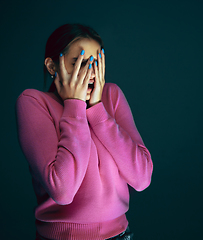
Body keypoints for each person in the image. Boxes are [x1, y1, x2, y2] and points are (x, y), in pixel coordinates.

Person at [16, 23, 153, 240]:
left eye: (95, 63)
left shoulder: (112, 96)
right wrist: (75, 105)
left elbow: (142, 178)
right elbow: (63, 190)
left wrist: (99, 111)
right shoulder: (33, 102)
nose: (90, 73)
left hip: (119, 235)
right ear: (52, 66)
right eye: (78, 62)